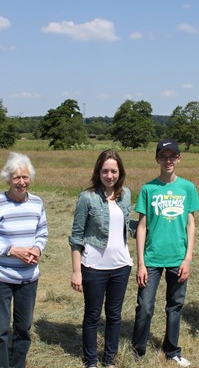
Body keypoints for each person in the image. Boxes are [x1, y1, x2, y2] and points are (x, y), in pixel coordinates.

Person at [131, 139, 199, 367]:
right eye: (164, 156)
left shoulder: (187, 188)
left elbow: (191, 224)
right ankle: (138, 349)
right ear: (157, 159)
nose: (168, 160)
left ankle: (172, 350)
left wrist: (188, 258)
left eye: (172, 156)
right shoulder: (148, 189)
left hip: (178, 258)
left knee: (175, 306)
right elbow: (141, 227)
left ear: (179, 159)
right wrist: (140, 262)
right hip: (151, 257)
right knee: (145, 306)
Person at [0, 152, 48, 368]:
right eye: (16, 177)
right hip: (0, 277)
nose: (21, 182)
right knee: (0, 327)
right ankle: (2, 364)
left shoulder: (37, 203)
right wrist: (13, 251)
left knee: (23, 326)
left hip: (28, 277)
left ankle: (18, 364)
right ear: (8, 179)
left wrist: (37, 249)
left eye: (25, 177)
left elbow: (42, 233)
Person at [69, 149, 135, 368]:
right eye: (105, 171)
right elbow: (76, 237)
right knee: (92, 316)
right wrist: (76, 271)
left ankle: (109, 360)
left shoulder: (126, 194)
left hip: (121, 266)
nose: (109, 176)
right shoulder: (86, 198)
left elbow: (127, 227)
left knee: (114, 315)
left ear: (120, 172)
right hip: (94, 267)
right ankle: (91, 361)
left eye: (113, 171)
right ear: (98, 172)